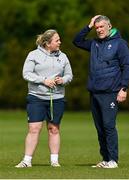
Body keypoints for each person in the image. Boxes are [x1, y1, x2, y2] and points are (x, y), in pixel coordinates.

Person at [73, 15, 129, 168]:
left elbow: (127, 67)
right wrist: (89, 26)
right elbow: (77, 41)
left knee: (108, 126)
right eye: (97, 27)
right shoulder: (94, 43)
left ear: (109, 26)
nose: (99, 30)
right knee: (100, 128)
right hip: (94, 92)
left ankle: (113, 160)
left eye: (101, 27)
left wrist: (123, 88)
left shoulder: (120, 44)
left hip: (111, 92)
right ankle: (105, 159)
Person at [15, 29, 73, 168]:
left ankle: (54, 161)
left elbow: (69, 75)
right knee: (34, 128)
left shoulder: (63, 56)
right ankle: (27, 161)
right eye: (57, 40)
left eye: (59, 39)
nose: (60, 42)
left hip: (57, 98)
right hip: (36, 97)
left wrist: (62, 80)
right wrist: (44, 80)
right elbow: (26, 73)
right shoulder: (33, 55)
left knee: (54, 129)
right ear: (48, 43)